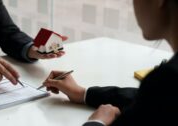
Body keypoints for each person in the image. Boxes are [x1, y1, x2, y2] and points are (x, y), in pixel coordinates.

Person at [43, 0, 178, 125]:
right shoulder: (166, 87)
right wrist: (83, 94)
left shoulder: (167, 79)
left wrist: (97, 122)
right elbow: (153, 101)